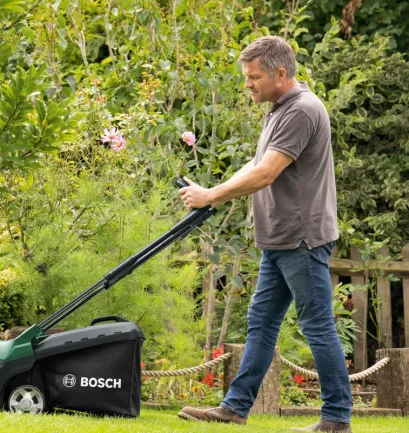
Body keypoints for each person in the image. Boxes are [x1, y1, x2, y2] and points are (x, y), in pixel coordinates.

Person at [176, 36, 352, 433]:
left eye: (254, 77)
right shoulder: (280, 109)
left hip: (302, 238)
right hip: (280, 238)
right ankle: (235, 409)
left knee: (317, 325)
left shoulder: (302, 110)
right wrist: (212, 193)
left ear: (280, 73)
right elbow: (256, 164)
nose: (247, 85)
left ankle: (337, 419)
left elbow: (267, 173)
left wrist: (211, 195)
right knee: (261, 323)